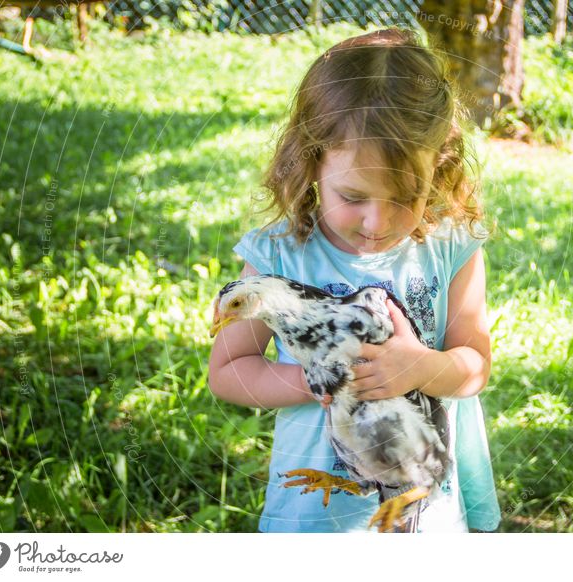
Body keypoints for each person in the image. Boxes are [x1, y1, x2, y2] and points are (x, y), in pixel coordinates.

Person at [208, 28, 500, 533]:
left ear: (441, 163)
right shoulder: (278, 257)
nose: (377, 222)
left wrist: (421, 368)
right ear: (311, 160)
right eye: (354, 195)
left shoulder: (452, 249)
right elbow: (229, 370)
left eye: (406, 196)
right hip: (315, 523)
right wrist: (314, 379)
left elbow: (474, 366)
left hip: (421, 513)